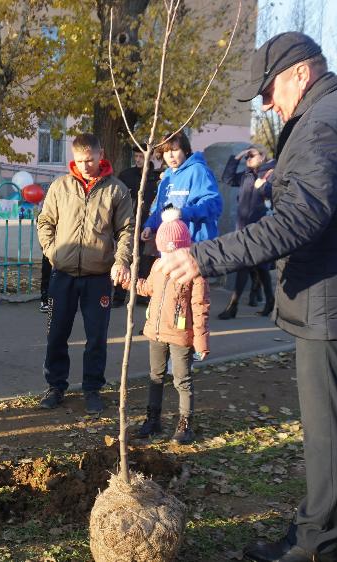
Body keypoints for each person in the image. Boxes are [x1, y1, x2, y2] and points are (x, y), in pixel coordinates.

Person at [156, 32, 337, 562]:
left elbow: (299, 222)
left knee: (328, 425)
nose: (267, 104)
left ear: (300, 72)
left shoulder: (326, 120)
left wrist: (204, 257)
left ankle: (315, 540)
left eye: (268, 91)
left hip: (335, 296)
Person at [36, 133, 134, 414]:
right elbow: (45, 221)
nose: (85, 166)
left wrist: (121, 260)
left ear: (100, 154)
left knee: (96, 337)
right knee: (56, 334)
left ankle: (92, 389)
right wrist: (52, 251)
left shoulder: (116, 190)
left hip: (98, 277)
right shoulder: (60, 187)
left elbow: (126, 229)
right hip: (62, 274)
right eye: (79, 161)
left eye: (90, 160)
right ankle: (55, 386)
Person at [126, 208, 209, 445]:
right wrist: (129, 282)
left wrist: (201, 341)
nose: (168, 258)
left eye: (173, 252)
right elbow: (148, 289)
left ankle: (185, 424)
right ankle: (153, 419)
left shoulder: (194, 272)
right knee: (155, 376)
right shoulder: (157, 267)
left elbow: (201, 306)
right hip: (156, 331)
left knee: (182, 379)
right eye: (164, 252)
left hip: (181, 335)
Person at [217, 145, 276, 319]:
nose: (248, 159)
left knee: (246, 265)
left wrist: (264, 187)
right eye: (246, 157)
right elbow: (227, 179)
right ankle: (270, 302)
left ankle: (233, 306)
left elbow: (277, 193)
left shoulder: (271, 174)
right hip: (243, 228)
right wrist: (236, 157)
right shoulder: (246, 176)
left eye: (251, 155)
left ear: (263, 156)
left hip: (260, 229)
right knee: (260, 267)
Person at [141, 131, 222, 247]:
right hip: (170, 245)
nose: (170, 156)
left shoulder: (198, 170)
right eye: (166, 151)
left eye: (174, 150)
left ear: (185, 150)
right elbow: (161, 208)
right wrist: (150, 225)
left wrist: (182, 213)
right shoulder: (167, 175)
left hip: (196, 245)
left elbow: (213, 205)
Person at [113, 146, 161, 307]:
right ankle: (119, 296)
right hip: (128, 225)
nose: (138, 159)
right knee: (125, 258)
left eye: (142, 156)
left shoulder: (156, 177)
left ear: (151, 156)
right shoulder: (126, 175)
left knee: (145, 260)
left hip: (148, 227)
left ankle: (142, 295)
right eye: (136, 156)